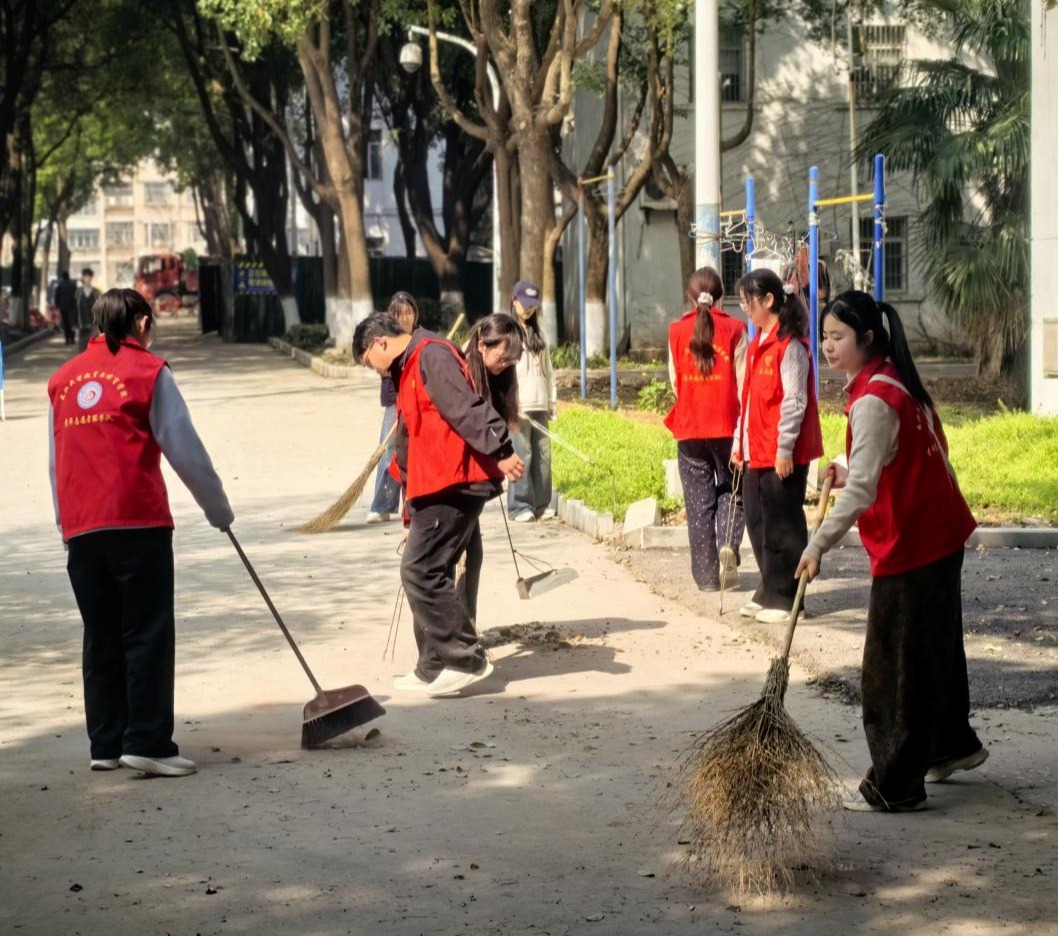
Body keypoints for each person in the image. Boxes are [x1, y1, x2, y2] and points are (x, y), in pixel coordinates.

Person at [795, 291, 983, 813]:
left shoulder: (876, 397)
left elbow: (861, 490)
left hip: (915, 546)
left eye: (838, 338)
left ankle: (894, 785)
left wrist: (816, 547)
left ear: (867, 339)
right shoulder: (894, 382)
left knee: (893, 669)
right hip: (940, 536)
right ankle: (951, 746)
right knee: (935, 649)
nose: (828, 347)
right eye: (825, 336)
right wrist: (844, 461)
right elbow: (879, 456)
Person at [48, 288, 234, 778]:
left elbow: (55, 463)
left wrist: (65, 525)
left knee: (101, 633)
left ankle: (106, 743)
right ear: (143, 323)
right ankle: (149, 741)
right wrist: (219, 510)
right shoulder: (149, 371)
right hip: (137, 521)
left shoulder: (62, 382)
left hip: (83, 526)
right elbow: (184, 448)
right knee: (146, 631)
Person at [354, 311, 524, 698]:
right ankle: (432, 664)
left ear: (379, 342)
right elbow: (410, 438)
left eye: (368, 361)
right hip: (432, 484)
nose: (373, 370)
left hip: (456, 482)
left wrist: (499, 449)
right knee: (435, 569)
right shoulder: (408, 364)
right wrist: (409, 499)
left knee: (419, 570)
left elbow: (464, 405)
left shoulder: (432, 354)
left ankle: (466, 657)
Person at [731, 268, 823, 625]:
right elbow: (749, 400)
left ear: (769, 300)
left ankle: (787, 598)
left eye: (747, 302)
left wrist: (785, 448)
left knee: (782, 524)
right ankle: (769, 588)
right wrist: (740, 444)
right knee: (756, 519)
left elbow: (795, 402)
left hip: (782, 453)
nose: (744, 309)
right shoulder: (757, 344)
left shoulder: (791, 347)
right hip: (757, 449)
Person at [664, 266, 748, 592]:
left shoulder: (675, 331)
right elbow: (743, 383)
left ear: (690, 296)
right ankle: (729, 545)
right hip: (728, 425)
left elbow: (675, 381)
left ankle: (706, 577)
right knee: (733, 488)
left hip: (689, 425)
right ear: (721, 296)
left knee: (698, 502)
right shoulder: (735, 328)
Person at [457, 313, 525, 622]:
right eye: (502, 357)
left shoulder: (496, 377)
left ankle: (465, 626)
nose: (506, 365)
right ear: (482, 345)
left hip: (474, 483)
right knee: (462, 556)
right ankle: (458, 633)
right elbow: (472, 424)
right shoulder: (459, 374)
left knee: (473, 554)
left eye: (512, 361)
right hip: (453, 479)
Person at [366, 292, 418, 524]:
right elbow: (382, 370)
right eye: (399, 314)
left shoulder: (420, 338)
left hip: (417, 403)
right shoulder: (387, 339)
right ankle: (382, 505)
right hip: (394, 403)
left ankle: (414, 504)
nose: (405, 318)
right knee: (388, 452)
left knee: (413, 453)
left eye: (409, 312)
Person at [508, 280, 556, 522]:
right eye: (524, 304)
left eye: (532, 306)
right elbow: (505, 374)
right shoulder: (508, 334)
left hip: (540, 405)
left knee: (543, 456)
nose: (528, 310)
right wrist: (511, 404)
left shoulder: (540, 335)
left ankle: (542, 503)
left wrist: (551, 402)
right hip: (518, 408)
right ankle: (519, 506)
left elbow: (549, 370)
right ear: (514, 301)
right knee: (521, 454)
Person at [75, 268, 101, 353]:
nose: (87, 279)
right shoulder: (78, 292)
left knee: (93, 348)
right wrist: (74, 323)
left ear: (91, 278)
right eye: (85, 276)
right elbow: (74, 308)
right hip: (81, 323)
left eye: (89, 276)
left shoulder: (96, 293)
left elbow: (101, 308)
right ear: (83, 278)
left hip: (93, 324)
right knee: (82, 348)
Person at [55, 271, 77, 345]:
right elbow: (76, 295)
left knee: (65, 323)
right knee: (71, 323)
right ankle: (73, 338)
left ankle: (67, 339)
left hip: (63, 307)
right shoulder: (73, 285)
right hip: (72, 306)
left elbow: (57, 296)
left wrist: (57, 305)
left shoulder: (60, 285)